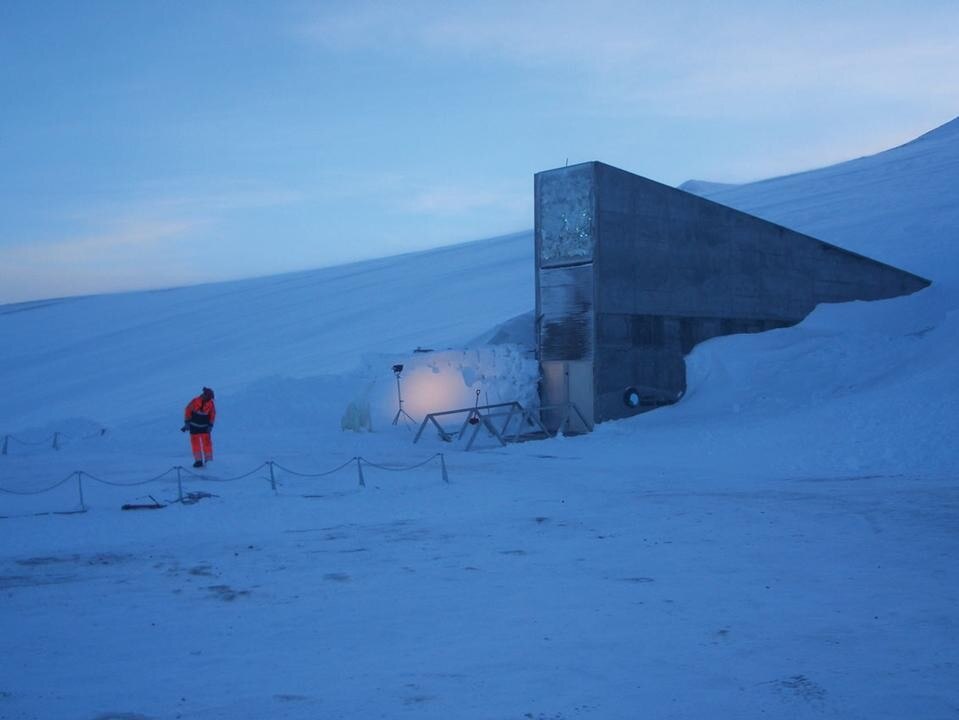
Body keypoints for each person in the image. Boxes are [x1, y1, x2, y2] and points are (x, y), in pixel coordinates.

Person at [182, 387, 216, 467]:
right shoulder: (195, 401)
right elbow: (188, 411)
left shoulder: (210, 403)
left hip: (204, 428)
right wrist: (187, 423)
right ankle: (198, 461)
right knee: (196, 445)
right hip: (195, 427)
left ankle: (208, 461)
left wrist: (210, 425)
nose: (210, 399)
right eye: (210, 397)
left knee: (206, 444)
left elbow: (212, 415)